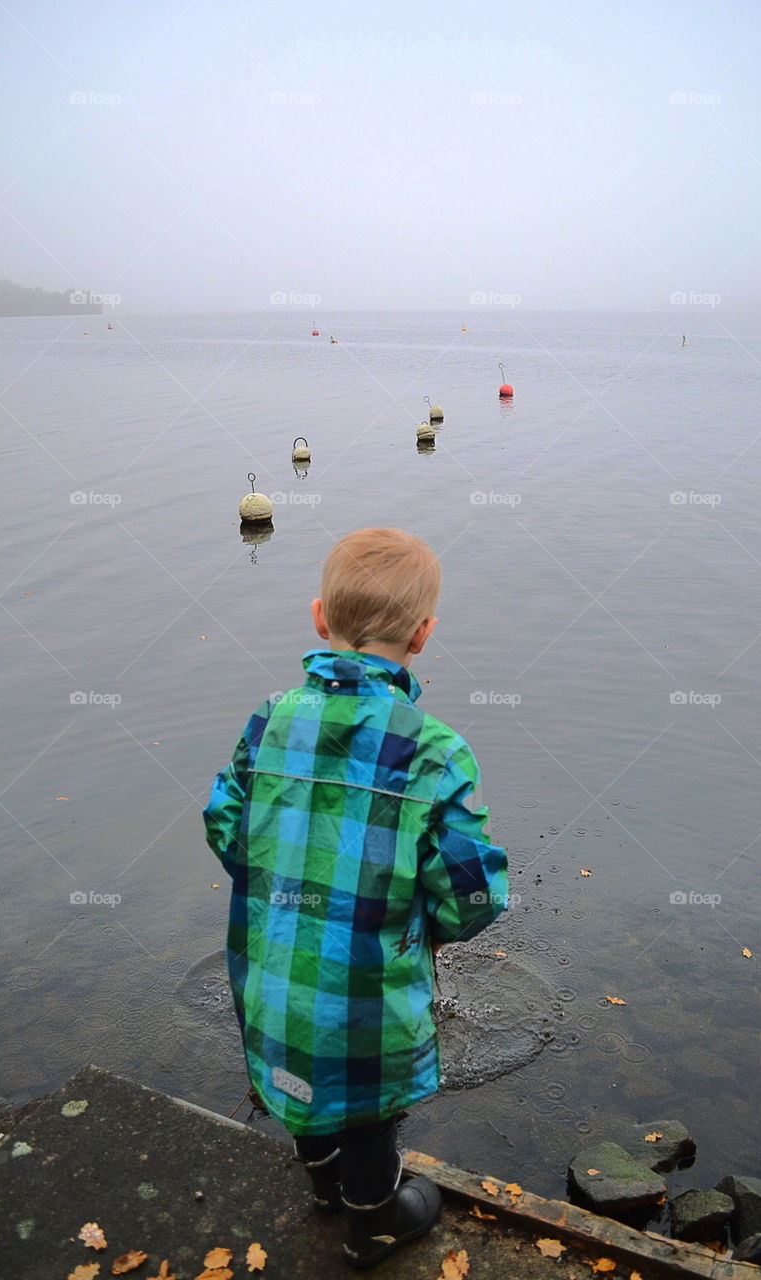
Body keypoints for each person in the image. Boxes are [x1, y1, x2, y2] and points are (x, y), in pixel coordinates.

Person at [203, 528, 508, 1269]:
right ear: (423, 635)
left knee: (297, 1073)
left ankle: (321, 1186)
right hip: (368, 987)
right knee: (370, 1110)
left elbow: (225, 822)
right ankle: (371, 1220)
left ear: (318, 618)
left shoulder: (270, 719)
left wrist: (279, 889)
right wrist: (427, 929)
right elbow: (472, 889)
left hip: (274, 967)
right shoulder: (433, 750)